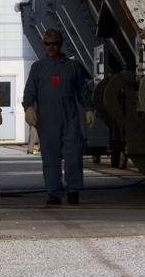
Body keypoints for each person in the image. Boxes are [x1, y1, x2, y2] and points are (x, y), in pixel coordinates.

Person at [23, 29, 95, 206]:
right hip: (47, 118)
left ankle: (73, 190)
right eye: (47, 44)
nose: (51, 47)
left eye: (54, 43)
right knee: (50, 156)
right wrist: (28, 107)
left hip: (69, 115)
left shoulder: (72, 67)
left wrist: (88, 108)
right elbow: (30, 91)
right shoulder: (38, 68)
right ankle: (54, 193)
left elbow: (82, 90)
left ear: (60, 44)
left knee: (73, 154)